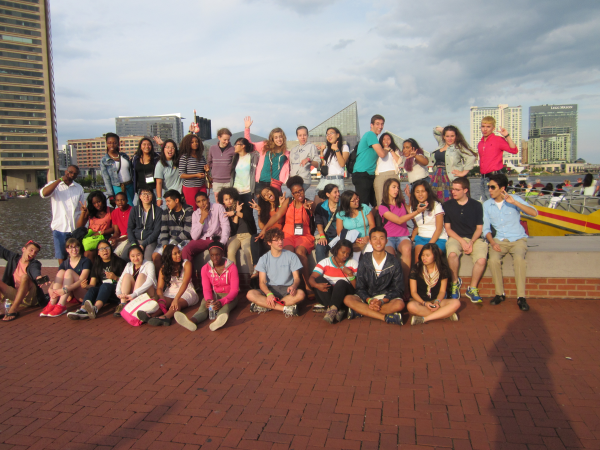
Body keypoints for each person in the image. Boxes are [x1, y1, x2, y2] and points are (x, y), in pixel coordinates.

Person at [483, 174, 538, 311]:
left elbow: (534, 213)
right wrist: (492, 242)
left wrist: (515, 203)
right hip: (499, 240)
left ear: (502, 189)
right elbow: (486, 228)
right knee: (493, 260)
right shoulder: (487, 205)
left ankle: (521, 297)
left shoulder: (515, 200)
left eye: (492, 187)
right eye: (488, 187)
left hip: (517, 239)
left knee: (519, 260)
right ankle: (499, 294)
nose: (489, 190)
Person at [255, 176, 314, 297]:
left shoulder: (309, 203)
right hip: (287, 234)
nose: (299, 194)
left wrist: (310, 209)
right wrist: (264, 229)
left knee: (300, 252)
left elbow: (313, 215)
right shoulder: (289, 202)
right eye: (296, 192)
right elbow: (276, 216)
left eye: (300, 191)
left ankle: (307, 285)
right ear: (292, 193)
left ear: (304, 189)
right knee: (287, 254)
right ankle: (290, 285)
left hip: (304, 235)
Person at [174, 238, 240, 332]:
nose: (215, 258)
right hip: (214, 294)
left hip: (229, 296)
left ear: (222, 254)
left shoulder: (232, 267)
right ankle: (192, 321)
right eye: (212, 255)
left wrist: (222, 301)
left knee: (226, 308)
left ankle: (218, 321)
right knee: (203, 307)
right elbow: (207, 289)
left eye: (217, 255)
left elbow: (234, 291)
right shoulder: (205, 268)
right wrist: (209, 300)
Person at [343, 227, 404, 325]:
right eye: (374, 238)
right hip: (368, 297)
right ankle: (384, 317)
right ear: (370, 241)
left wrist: (382, 301)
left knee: (399, 304)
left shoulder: (394, 262)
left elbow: (398, 289)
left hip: (386, 298)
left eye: (381, 238)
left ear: (386, 241)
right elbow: (360, 287)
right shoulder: (364, 260)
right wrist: (369, 300)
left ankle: (361, 311)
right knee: (348, 299)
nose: (378, 242)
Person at [378, 178, 426, 297]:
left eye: (397, 188)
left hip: (402, 235)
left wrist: (410, 197)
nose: (396, 190)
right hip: (388, 237)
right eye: (393, 187)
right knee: (391, 256)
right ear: (387, 189)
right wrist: (417, 212)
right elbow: (399, 220)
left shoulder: (402, 203)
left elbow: (411, 210)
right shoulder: (383, 207)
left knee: (407, 249)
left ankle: (405, 287)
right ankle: (394, 287)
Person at [443, 177, 487, 304]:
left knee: (481, 259)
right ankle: (455, 283)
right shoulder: (447, 205)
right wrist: (462, 242)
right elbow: (448, 229)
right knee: (452, 254)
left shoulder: (477, 205)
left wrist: (471, 242)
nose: (453, 192)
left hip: (474, 237)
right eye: (453, 189)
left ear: (466, 190)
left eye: (457, 189)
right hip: (455, 237)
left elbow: (479, 228)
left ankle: (472, 288)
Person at [246, 228, 305, 317]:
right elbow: (262, 282)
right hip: (271, 289)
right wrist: (269, 294)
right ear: (269, 243)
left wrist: (293, 286)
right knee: (250, 294)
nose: (280, 242)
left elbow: (296, 278)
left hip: (287, 289)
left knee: (301, 294)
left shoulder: (292, 256)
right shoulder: (264, 259)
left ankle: (266, 306)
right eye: (276, 240)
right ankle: (284, 308)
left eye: (281, 239)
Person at [139, 244, 199, 326]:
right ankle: (151, 316)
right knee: (163, 303)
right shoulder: (164, 268)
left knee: (177, 303)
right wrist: (161, 298)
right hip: (171, 290)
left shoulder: (186, 264)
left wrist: (176, 299)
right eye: (175, 254)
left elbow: (185, 283)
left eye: (179, 252)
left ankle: (166, 317)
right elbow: (159, 287)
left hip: (186, 290)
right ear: (169, 256)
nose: (179, 255)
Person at [68, 240, 126, 320]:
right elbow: (92, 284)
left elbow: (127, 282)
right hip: (103, 293)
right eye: (101, 249)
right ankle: (83, 310)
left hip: (117, 292)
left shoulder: (120, 262)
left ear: (111, 249)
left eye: (107, 248)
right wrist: (86, 286)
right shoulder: (97, 265)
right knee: (92, 289)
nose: (104, 250)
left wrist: (115, 278)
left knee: (105, 285)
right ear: (98, 253)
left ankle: (95, 309)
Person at [40, 165, 84, 265]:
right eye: (70, 172)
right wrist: (59, 181)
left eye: (74, 174)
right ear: (65, 172)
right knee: (61, 256)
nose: (71, 175)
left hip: (73, 228)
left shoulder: (78, 188)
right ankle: (63, 275)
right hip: (60, 228)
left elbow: (81, 208)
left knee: (75, 255)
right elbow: (43, 194)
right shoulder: (55, 185)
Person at [407, 243, 459, 325]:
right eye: (423, 255)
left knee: (456, 303)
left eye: (427, 255)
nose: (424, 258)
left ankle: (425, 318)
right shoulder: (416, 268)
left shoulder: (442, 269)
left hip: (437, 301)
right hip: (421, 302)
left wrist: (437, 302)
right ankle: (445, 314)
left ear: (435, 256)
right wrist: (424, 303)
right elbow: (413, 292)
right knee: (411, 306)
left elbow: (442, 291)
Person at [309, 239, 357, 324]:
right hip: (328, 295)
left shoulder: (353, 263)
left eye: (348, 253)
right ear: (336, 250)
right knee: (318, 279)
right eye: (343, 252)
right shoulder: (325, 262)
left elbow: (356, 287)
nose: (345, 255)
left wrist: (350, 274)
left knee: (340, 283)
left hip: (344, 294)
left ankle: (332, 309)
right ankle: (336, 309)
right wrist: (317, 285)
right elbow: (311, 278)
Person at [42, 238, 91, 317]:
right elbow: (57, 280)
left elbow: (82, 280)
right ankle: (52, 303)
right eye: (71, 247)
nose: (74, 250)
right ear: (67, 250)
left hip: (82, 292)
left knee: (69, 272)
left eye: (76, 247)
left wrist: (66, 289)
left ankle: (61, 305)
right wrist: (50, 289)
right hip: (69, 295)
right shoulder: (64, 264)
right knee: (61, 272)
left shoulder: (86, 261)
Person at [0, 240, 47, 321]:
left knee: (25, 277)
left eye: (35, 252)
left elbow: (35, 270)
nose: (33, 254)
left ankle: (13, 309)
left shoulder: (34, 263)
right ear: (23, 249)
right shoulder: (13, 258)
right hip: (16, 295)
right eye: (31, 250)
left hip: (31, 298)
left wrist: (38, 277)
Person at [181, 191, 230, 268]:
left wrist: (222, 242)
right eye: (199, 202)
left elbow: (225, 226)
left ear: (208, 199)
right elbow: (194, 237)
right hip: (203, 239)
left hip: (216, 238)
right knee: (186, 250)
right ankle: (190, 278)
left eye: (204, 200)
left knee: (218, 252)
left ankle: (220, 277)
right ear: (196, 204)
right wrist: (202, 219)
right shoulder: (195, 214)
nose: (202, 203)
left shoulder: (218, 207)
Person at [430, 125, 477, 203]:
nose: (450, 138)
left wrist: (463, 172)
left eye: (452, 136)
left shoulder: (457, 147)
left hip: (450, 176)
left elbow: (471, 157)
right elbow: (435, 131)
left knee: (450, 199)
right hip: (437, 176)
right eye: (447, 136)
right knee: (436, 200)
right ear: (444, 137)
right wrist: (444, 130)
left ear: (456, 136)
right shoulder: (441, 144)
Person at [243, 116, 290, 195]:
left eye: (280, 137)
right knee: (261, 206)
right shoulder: (265, 146)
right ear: (272, 139)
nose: (278, 139)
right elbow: (249, 145)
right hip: (261, 182)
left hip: (275, 184)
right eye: (276, 137)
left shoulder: (286, 153)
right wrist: (247, 128)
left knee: (277, 206)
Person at [152, 190, 194, 272]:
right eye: (166, 201)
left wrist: (172, 245)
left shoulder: (189, 211)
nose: (166, 204)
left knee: (174, 255)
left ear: (176, 200)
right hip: (169, 240)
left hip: (183, 240)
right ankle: (161, 281)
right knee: (155, 256)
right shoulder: (165, 212)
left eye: (168, 201)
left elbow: (187, 232)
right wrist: (165, 245)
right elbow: (164, 231)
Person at [478, 117, 518, 201]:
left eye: (488, 126)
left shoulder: (498, 140)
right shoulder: (480, 143)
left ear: (493, 128)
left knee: (496, 202)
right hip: (483, 178)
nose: (485, 129)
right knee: (486, 203)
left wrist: (507, 136)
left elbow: (514, 150)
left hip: (495, 177)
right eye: (483, 126)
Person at [111, 245, 157, 318]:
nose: (136, 258)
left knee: (141, 276)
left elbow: (150, 281)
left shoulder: (149, 264)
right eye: (132, 256)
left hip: (148, 293)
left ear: (142, 254)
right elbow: (121, 280)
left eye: (138, 255)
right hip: (133, 296)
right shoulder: (128, 265)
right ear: (129, 257)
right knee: (127, 276)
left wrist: (135, 294)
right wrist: (119, 293)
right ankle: (123, 304)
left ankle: (134, 305)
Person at [248, 186, 286, 277]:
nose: (267, 194)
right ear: (264, 199)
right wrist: (259, 211)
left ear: (273, 190)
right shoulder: (266, 208)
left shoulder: (282, 203)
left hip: (278, 235)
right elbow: (261, 227)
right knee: (255, 238)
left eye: (268, 191)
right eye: (264, 195)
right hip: (267, 235)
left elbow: (280, 221)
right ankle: (256, 267)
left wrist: (280, 205)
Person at [409, 180, 448, 262]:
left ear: (428, 192)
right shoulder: (413, 208)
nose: (420, 194)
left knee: (429, 256)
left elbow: (439, 229)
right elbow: (416, 227)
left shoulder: (436, 205)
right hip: (421, 238)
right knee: (418, 259)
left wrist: (429, 245)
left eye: (423, 191)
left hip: (438, 238)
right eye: (417, 192)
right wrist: (411, 240)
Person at [352, 115, 386, 207]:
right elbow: (382, 154)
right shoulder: (370, 134)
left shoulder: (374, 138)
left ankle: (375, 221)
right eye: (377, 124)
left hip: (368, 175)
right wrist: (387, 149)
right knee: (363, 205)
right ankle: (363, 221)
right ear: (371, 125)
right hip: (362, 174)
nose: (380, 127)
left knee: (377, 204)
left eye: (382, 124)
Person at [219, 187, 257, 268]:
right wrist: (235, 214)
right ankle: (232, 275)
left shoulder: (242, 205)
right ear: (223, 201)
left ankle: (252, 274)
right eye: (226, 199)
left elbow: (249, 217)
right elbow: (233, 229)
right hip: (235, 236)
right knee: (231, 251)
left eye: (230, 198)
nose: (229, 201)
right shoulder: (225, 212)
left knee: (247, 250)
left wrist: (236, 212)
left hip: (247, 234)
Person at [336, 190, 376, 261]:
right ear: (347, 202)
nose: (357, 201)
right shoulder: (341, 214)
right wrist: (354, 240)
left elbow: (372, 224)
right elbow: (340, 232)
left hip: (367, 239)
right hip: (351, 242)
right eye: (353, 200)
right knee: (353, 261)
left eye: (357, 198)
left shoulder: (364, 208)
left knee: (371, 257)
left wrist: (368, 237)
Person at [124, 188, 162, 262]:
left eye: (149, 194)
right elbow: (130, 228)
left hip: (150, 241)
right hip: (135, 239)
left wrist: (143, 244)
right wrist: (133, 242)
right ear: (140, 196)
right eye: (143, 194)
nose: (146, 196)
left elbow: (156, 231)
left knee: (147, 260)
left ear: (152, 196)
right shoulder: (134, 210)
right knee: (124, 258)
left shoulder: (158, 211)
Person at [76, 190, 113, 260]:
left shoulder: (111, 211)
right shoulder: (90, 211)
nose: (97, 205)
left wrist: (101, 232)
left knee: (89, 253)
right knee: (81, 250)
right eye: (94, 203)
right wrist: (83, 213)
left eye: (99, 202)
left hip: (104, 237)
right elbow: (79, 227)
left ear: (103, 200)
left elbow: (114, 228)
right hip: (91, 238)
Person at [100, 132, 134, 207]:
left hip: (130, 185)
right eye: (109, 143)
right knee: (130, 207)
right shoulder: (104, 160)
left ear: (118, 143)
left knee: (127, 207)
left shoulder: (124, 156)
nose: (112, 145)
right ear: (106, 143)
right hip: (118, 186)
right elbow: (106, 179)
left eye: (114, 143)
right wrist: (111, 195)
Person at [315, 127, 348, 196]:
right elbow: (323, 167)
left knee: (335, 205)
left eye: (331, 133)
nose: (329, 135)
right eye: (327, 134)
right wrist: (321, 152)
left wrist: (336, 149)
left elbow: (342, 164)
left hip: (336, 180)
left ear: (338, 135)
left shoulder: (344, 147)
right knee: (318, 202)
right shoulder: (326, 150)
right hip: (324, 179)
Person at [178, 133, 207, 209]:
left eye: (196, 141)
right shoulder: (184, 157)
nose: (195, 143)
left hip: (202, 186)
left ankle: (203, 221)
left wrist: (207, 171)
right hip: (190, 187)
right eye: (192, 142)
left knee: (205, 206)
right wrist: (196, 175)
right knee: (192, 208)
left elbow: (204, 171)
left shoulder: (201, 157)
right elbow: (181, 174)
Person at [289, 126, 319, 196]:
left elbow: (317, 164)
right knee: (293, 200)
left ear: (307, 135)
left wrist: (309, 160)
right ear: (297, 137)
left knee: (294, 196)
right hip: (293, 180)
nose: (302, 137)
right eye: (300, 135)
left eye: (304, 135)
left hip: (304, 179)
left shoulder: (311, 147)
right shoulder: (293, 149)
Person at [373, 132, 401, 206]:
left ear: (391, 140)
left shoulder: (395, 150)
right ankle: (382, 216)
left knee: (394, 198)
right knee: (380, 199)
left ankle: (395, 216)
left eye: (388, 139)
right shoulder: (378, 150)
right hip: (380, 176)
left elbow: (399, 161)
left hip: (393, 174)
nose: (386, 141)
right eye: (384, 139)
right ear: (381, 141)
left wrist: (391, 150)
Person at [153, 138, 182, 209]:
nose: (170, 150)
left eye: (172, 148)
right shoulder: (160, 164)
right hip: (169, 196)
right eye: (167, 147)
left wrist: (163, 144)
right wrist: (159, 198)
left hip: (181, 194)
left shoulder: (179, 160)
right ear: (163, 149)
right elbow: (159, 182)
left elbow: (183, 150)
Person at [230, 137, 259, 207]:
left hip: (248, 191)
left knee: (248, 214)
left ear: (243, 146)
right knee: (237, 213)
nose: (235, 146)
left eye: (236, 144)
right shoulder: (235, 158)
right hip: (236, 191)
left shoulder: (253, 157)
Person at [314, 184, 340, 263]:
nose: (338, 194)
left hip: (339, 237)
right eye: (335, 192)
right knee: (319, 248)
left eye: (338, 192)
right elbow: (319, 222)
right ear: (328, 194)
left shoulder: (342, 205)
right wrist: (322, 235)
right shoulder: (321, 206)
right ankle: (320, 271)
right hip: (326, 236)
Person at [206, 128, 235, 197]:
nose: (227, 142)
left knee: (228, 203)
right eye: (224, 139)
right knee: (218, 204)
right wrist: (208, 171)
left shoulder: (233, 149)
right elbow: (209, 163)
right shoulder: (212, 149)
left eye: (228, 139)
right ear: (219, 137)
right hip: (216, 181)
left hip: (228, 181)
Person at [109, 192, 132, 258]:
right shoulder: (114, 213)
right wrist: (113, 238)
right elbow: (116, 232)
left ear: (127, 200)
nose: (120, 202)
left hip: (130, 237)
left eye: (122, 200)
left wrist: (118, 240)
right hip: (121, 237)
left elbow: (133, 233)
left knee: (116, 254)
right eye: (118, 200)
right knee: (107, 247)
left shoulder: (132, 211)